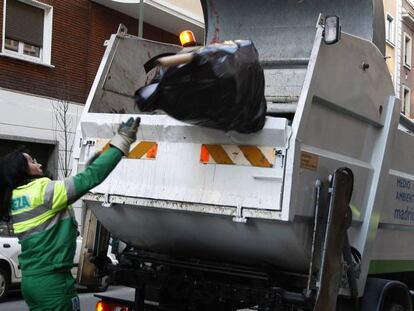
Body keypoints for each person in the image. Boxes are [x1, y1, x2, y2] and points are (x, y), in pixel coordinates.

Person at [0, 117, 140, 311]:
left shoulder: (17, 197)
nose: (39, 164)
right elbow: (90, 177)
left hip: (33, 281)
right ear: (22, 171)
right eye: (32, 162)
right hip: (52, 283)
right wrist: (123, 140)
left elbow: (78, 179)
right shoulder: (43, 192)